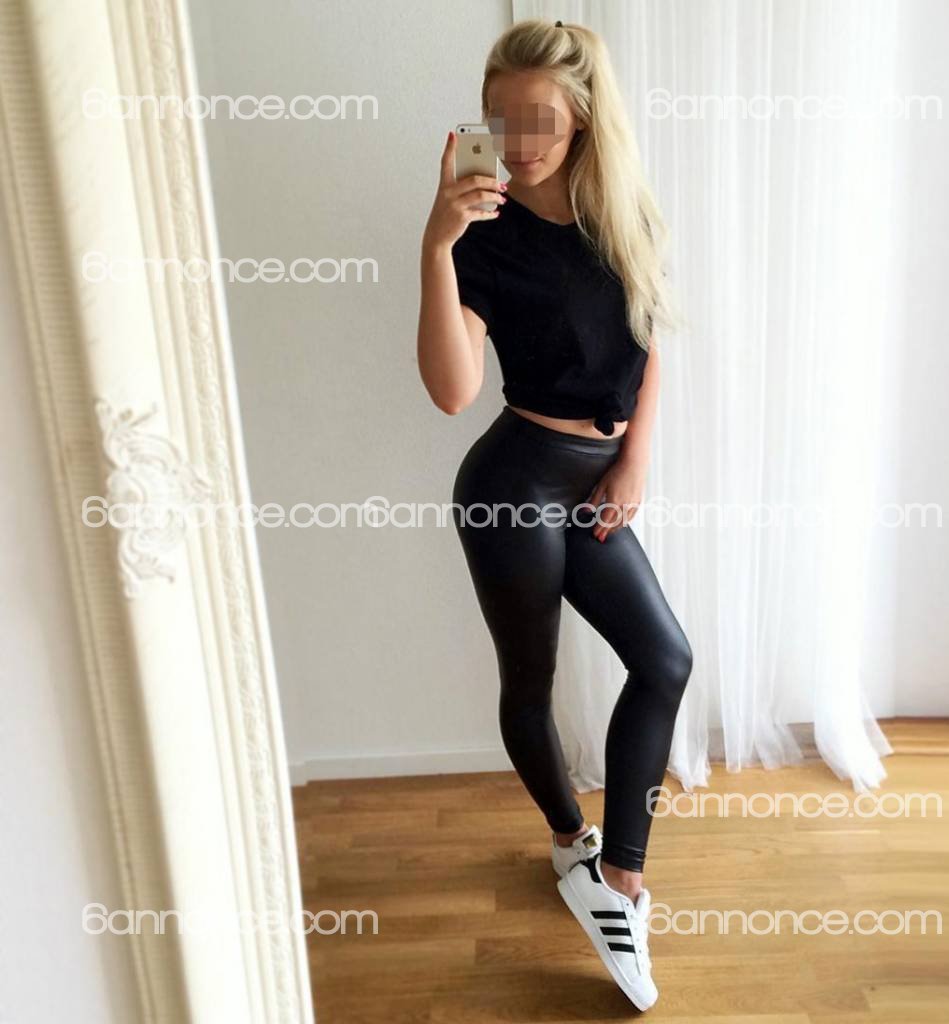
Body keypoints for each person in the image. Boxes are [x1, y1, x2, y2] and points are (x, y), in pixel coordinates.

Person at [416, 18, 692, 1012]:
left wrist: (635, 463)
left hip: (597, 479)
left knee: (664, 660)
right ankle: (572, 841)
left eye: (540, 118)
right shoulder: (482, 238)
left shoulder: (625, 213)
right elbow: (452, 391)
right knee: (529, 680)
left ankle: (620, 879)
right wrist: (436, 244)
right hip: (515, 483)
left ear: (581, 118)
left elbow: (650, 339)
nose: (520, 140)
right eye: (502, 119)